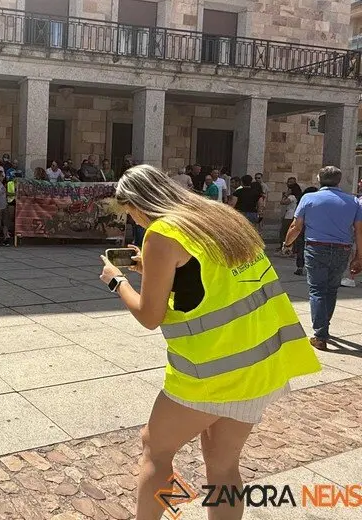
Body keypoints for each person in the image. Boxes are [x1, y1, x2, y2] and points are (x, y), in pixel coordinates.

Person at [99, 164, 320, 520]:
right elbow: (208, 280)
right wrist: (153, 270)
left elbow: (149, 316)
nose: (136, 222)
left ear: (139, 203)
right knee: (222, 466)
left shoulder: (161, 233)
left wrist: (116, 281)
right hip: (258, 367)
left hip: (208, 374)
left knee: (155, 450)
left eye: (132, 214)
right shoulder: (220, 216)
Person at [284, 166, 362, 350]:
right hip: (342, 249)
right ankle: (323, 326)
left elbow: (296, 226)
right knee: (331, 289)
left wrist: (287, 244)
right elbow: (359, 231)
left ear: (319, 178)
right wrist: (359, 256)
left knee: (317, 290)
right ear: (339, 180)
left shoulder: (309, 198)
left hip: (316, 247)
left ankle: (320, 335)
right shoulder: (353, 201)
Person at [279, 184, 300, 253]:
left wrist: (285, 195)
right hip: (293, 215)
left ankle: (285, 248)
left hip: (289, 216)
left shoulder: (291, 197)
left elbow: (282, 202)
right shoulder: (297, 197)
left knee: (284, 232)